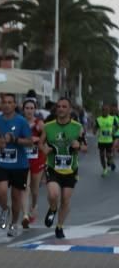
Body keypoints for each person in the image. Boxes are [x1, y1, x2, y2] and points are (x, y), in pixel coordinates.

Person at [42, 97, 86, 239]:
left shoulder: (77, 127)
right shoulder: (48, 126)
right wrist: (44, 149)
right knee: (53, 194)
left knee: (66, 200)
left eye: (64, 106)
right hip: (52, 167)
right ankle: (53, 208)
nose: (60, 109)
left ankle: (59, 226)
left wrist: (79, 146)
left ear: (70, 109)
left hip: (70, 169)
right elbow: (40, 144)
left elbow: (85, 147)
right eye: (59, 106)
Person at [0, 93, 33, 237]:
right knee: (1, 192)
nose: (7, 105)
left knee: (16, 197)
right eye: (4, 102)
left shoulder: (21, 121)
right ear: (0, 104)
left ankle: (14, 223)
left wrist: (15, 139)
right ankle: (4, 208)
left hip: (19, 165)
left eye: (10, 102)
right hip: (1, 163)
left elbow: (29, 142)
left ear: (15, 105)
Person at [22, 99, 47, 229]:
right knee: (25, 187)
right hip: (24, 159)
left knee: (35, 189)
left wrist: (38, 139)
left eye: (32, 108)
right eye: (27, 108)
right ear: (23, 110)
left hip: (37, 158)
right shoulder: (20, 122)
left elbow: (45, 136)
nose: (29, 110)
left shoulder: (39, 123)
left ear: (35, 110)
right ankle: (25, 215)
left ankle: (34, 206)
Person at [95, 104, 117, 176]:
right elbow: (95, 128)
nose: (105, 111)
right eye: (104, 110)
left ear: (109, 111)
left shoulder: (112, 118)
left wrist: (113, 132)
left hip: (109, 141)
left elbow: (116, 126)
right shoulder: (98, 119)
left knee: (108, 156)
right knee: (101, 156)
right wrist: (95, 131)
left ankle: (111, 163)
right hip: (101, 141)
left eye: (107, 110)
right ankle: (105, 169)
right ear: (102, 111)